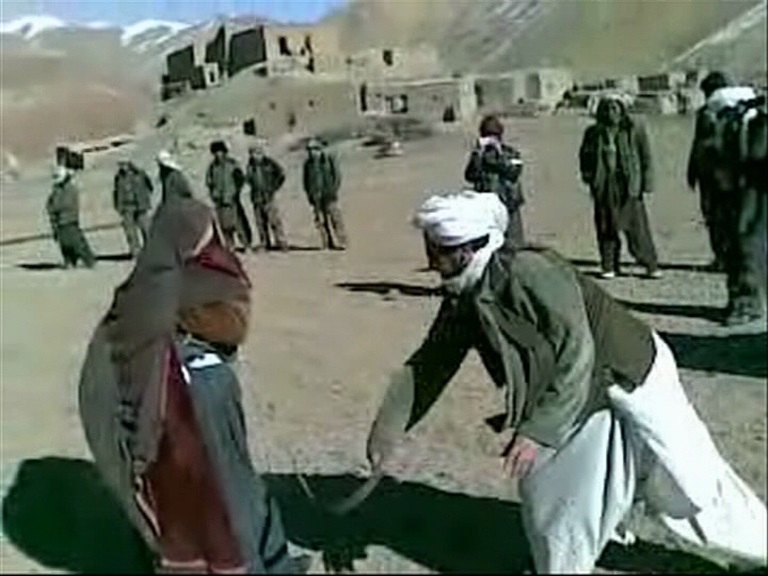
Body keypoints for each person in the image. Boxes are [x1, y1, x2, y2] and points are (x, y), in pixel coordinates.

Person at [362, 191, 767, 574]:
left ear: (466, 249)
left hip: (626, 377)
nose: (431, 263)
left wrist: (537, 431)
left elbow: (578, 350)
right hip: (579, 394)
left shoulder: (529, 272)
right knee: (555, 493)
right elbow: (430, 364)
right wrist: (387, 431)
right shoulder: (465, 294)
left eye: (437, 252)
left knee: (689, 484)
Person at [78, 196, 310, 574]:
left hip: (184, 412)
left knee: (235, 490)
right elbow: (231, 325)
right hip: (190, 411)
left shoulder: (145, 287)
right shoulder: (177, 289)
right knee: (227, 498)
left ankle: (273, 563)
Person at [690, 74, 766, 327]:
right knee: (737, 251)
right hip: (733, 198)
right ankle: (742, 301)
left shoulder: (749, 124)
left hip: (745, 200)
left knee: (745, 251)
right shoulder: (738, 120)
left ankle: (747, 304)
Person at [579, 94, 661, 279]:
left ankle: (650, 264)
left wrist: (647, 182)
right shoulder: (593, 132)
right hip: (604, 185)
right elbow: (585, 156)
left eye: (615, 108)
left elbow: (645, 156)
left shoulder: (634, 129)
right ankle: (609, 265)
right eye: (607, 108)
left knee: (637, 228)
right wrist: (589, 178)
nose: (611, 112)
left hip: (629, 185)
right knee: (606, 225)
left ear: (622, 110)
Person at [687, 71, 733, 272]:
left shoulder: (713, 113)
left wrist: (692, 171)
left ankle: (725, 258)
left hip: (717, 176)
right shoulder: (708, 113)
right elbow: (698, 144)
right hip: (717, 176)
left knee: (718, 218)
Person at [464, 114, 526, 247]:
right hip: (487, 207)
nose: (490, 139)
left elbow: (514, 172)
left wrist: (499, 154)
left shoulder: (511, 153)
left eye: (493, 135)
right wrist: (477, 154)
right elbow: (470, 176)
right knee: (489, 244)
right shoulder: (479, 155)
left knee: (514, 244)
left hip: (509, 204)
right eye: (487, 135)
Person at [206, 140, 253, 252]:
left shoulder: (232, 164)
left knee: (239, 223)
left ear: (224, 152)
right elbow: (209, 182)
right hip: (219, 200)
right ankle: (230, 245)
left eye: (220, 151)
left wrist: (235, 192)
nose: (218, 154)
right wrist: (213, 194)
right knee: (225, 225)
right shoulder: (212, 167)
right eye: (216, 152)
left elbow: (240, 179)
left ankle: (246, 244)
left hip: (232, 199)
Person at [46, 165, 96, 269]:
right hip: (59, 221)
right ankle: (69, 261)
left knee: (76, 242)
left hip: (69, 219)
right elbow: (50, 203)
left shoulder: (70, 189)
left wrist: (55, 207)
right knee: (64, 243)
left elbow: (66, 204)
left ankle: (88, 260)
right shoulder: (56, 190)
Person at [302, 138, 347, 251]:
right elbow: (306, 181)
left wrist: (333, 190)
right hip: (316, 196)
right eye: (310, 150)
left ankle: (342, 241)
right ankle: (326, 242)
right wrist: (310, 194)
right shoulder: (308, 164)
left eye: (314, 149)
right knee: (320, 221)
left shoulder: (328, 160)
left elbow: (337, 176)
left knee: (335, 219)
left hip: (329, 195)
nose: (312, 152)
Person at [246, 141, 289, 252]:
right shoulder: (250, 166)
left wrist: (274, 187)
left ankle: (281, 242)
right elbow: (249, 180)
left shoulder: (269, 163)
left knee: (274, 221)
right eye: (253, 153)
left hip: (269, 197)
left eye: (258, 153)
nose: (256, 156)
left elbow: (281, 174)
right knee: (260, 223)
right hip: (257, 198)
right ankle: (265, 243)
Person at [113, 159, 154, 257]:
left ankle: (151, 249)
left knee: (146, 228)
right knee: (130, 230)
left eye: (124, 164)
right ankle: (135, 251)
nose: (122, 167)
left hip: (140, 205)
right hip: (126, 206)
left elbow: (150, 186)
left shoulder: (140, 174)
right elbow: (116, 191)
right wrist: (118, 205)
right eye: (120, 164)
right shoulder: (119, 177)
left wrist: (145, 197)